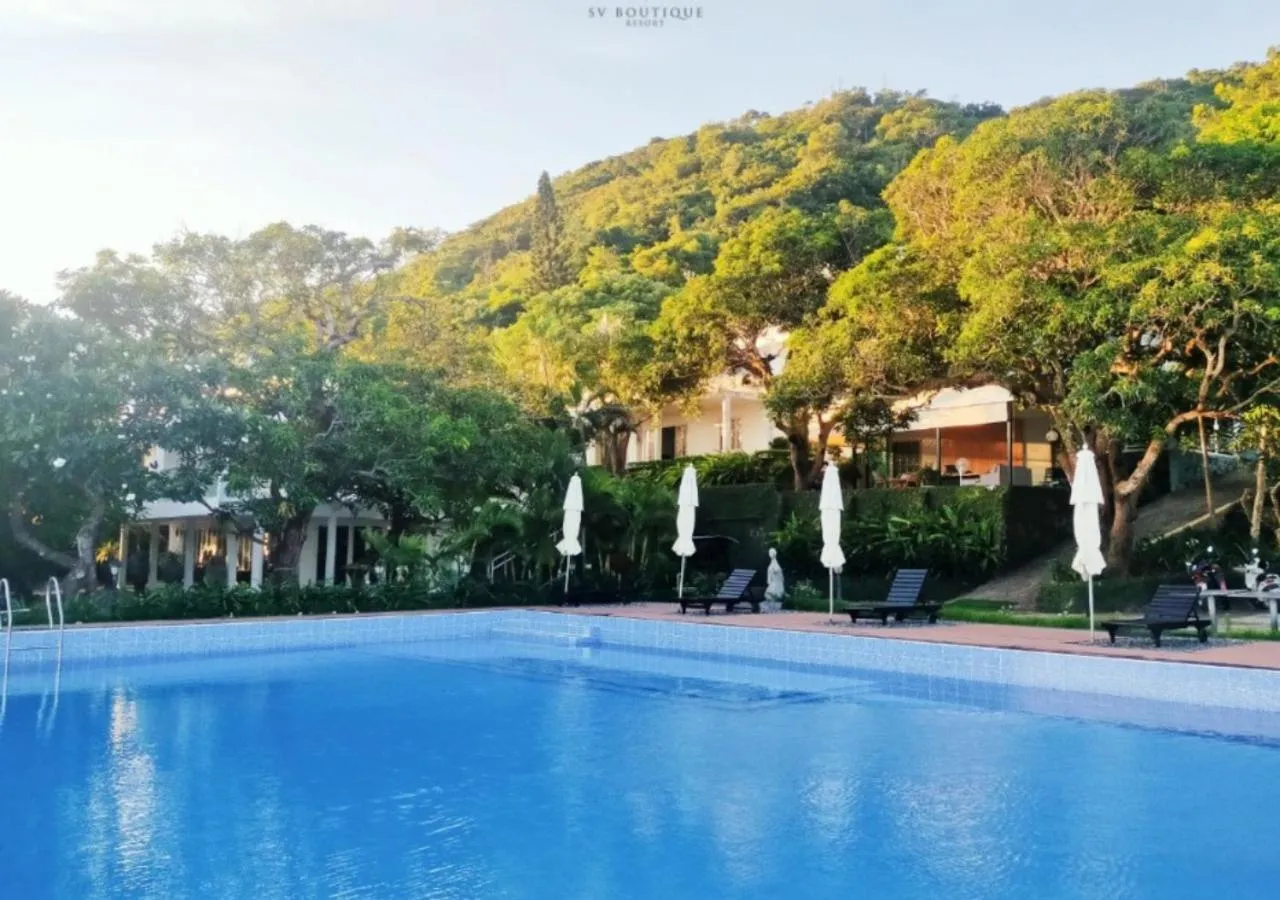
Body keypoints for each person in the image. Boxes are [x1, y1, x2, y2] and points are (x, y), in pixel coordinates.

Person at [764, 548, 785, 612]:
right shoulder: (775, 564)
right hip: (775, 583)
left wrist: (769, 580)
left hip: (775, 583)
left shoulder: (774, 564)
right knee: (769, 594)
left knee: (769, 594)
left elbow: (773, 573)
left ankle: (773, 605)